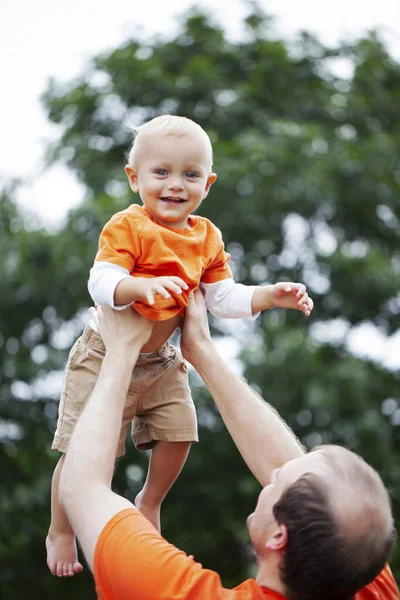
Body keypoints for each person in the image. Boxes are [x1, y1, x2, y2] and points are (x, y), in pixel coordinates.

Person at [46, 114, 314, 576]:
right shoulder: (128, 226)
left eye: (190, 175)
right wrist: (135, 289)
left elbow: (223, 298)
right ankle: (61, 529)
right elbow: (101, 280)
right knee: (84, 450)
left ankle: (148, 501)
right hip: (103, 355)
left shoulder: (206, 237)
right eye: (161, 172)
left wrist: (269, 296)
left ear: (207, 184)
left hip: (163, 361)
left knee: (180, 433)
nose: (175, 185)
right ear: (135, 179)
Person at [59, 294, 398, 599]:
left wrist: (119, 353)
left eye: (278, 480)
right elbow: (316, 499)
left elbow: (82, 488)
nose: (275, 470)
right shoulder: (360, 571)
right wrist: (201, 351)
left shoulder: (175, 592)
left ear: (279, 537)